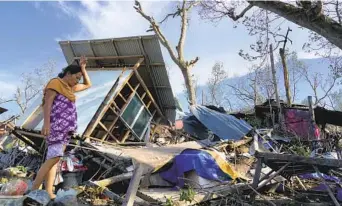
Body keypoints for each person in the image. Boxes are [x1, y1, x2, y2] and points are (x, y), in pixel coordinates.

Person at [32, 56, 91, 199]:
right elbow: (47, 103)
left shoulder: (70, 88)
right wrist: (46, 124)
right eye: (76, 77)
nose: (77, 81)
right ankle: (33, 190)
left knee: (54, 159)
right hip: (56, 126)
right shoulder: (55, 83)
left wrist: (83, 69)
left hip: (66, 129)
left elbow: (88, 84)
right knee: (55, 157)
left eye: (78, 79)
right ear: (68, 74)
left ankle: (49, 191)